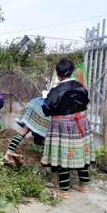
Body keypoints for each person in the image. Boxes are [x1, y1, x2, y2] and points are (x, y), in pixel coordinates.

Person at [41, 58, 95, 199]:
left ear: (58, 74)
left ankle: (64, 190)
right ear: (71, 71)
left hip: (62, 126)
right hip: (80, 123)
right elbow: (86, 102)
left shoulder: (56, 91)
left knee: (62, 155)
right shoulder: (81, 87)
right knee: (81, 152)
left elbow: (46, 109)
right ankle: (84, 185)